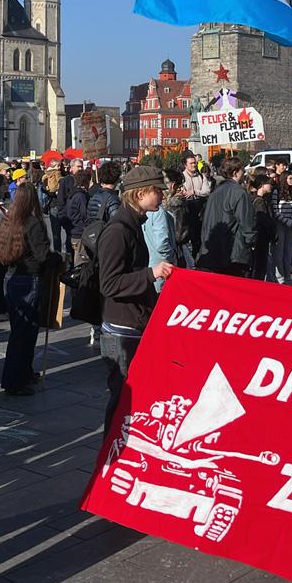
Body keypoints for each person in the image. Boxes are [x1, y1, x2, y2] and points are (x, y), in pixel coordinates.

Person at [96, 166, 174, 427]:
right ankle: (110, 455)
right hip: (121, 329)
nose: (163, 196)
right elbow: (109, 283)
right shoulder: (118, 230)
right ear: (141, 193)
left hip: (133, 322)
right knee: (121, 400)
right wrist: (151, 274)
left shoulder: (134, 223)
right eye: (158, 191)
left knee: (131, 398)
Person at [0, 181, 53, 396]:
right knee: (24, 332)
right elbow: (42, 255)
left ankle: (24, 372)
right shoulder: (33, 223)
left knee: (23, 330)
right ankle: (14, 380)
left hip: (12, 277)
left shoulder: (9, 221)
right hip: (29, 279)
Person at [197, 159, 255, 276]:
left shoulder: (216, 192)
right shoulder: (239, 193)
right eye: (242, 170)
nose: (243, 173)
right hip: (233, 250)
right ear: (235, 173)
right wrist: (251, 241)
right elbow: (246, 223)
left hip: (214, 248)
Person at [270, 171, 292, 284]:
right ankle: (280, 278)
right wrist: (285, 220)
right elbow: (275, 209)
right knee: (279, 253)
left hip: (291, 224)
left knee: (288, 252)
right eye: (290, 178)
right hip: (281, 224)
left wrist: (291, 220)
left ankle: (288, 277)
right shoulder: (277, 191)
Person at [249, 174, 276, 281]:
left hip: (260, 237)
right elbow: (264, 221)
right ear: (262, 185)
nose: (271, 186)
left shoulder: (259, 199)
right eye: (268, 184)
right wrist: (273, 234)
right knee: (260, 267)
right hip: (260, 238)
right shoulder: (258, 201)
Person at [65, 168, 93, 262]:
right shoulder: (81, 196)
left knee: (77, 258)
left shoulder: (72, 194)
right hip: (80, 231)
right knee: (82, 261)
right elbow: (85, 214)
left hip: (74, 230)